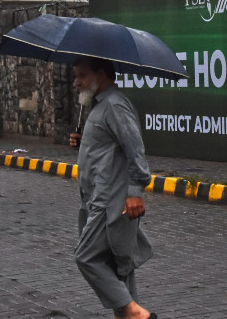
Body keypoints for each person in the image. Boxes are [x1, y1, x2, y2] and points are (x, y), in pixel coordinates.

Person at [67, 57, 156, 319]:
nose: (76, 83)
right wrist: (84, 141)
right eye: (76, 76)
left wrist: (135, 193)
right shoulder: (98, 106)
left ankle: (134, 313)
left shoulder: (115, 105)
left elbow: (135, 150)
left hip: (111, 202)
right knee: (118, 266)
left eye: (82, 76)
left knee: (86, 257)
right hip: (95, 199)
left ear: (102, 74)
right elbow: (108, 145)